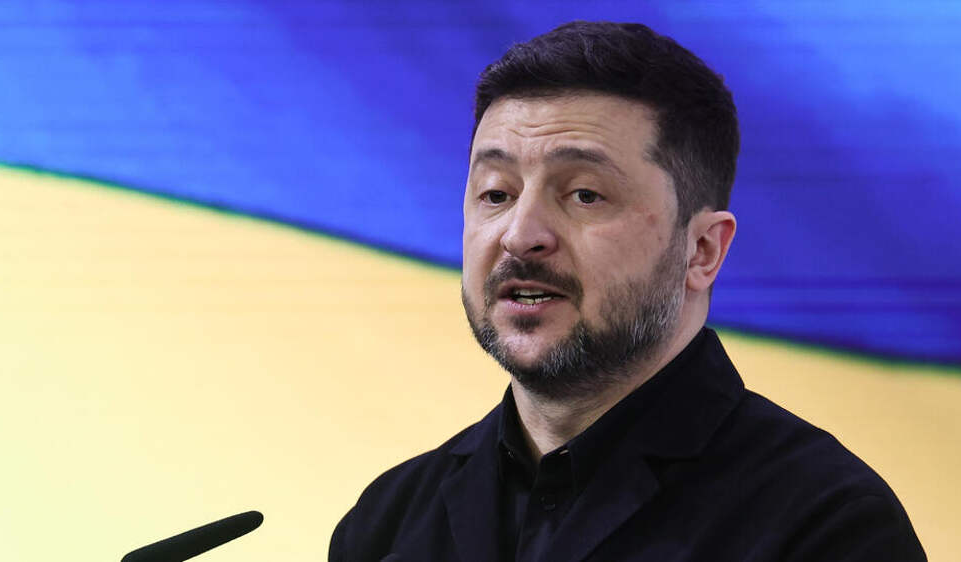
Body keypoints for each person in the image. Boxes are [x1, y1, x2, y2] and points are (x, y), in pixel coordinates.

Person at [329, 21, 925, 562]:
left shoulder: (827, 525)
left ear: (702, 250)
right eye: (496, 194)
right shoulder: (387, 522)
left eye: (585, 194)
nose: (520, 235)